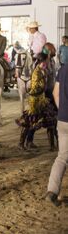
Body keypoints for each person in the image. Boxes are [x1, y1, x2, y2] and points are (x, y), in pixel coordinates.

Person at [16, 50, 57, 150]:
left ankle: (52, 146)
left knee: (50, 121)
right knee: (30, 122)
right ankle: (22, 144)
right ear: (41, 61)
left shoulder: (42, 70)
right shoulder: (37, 73)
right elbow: (35, 89)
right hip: (36, 102)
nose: (47, 63)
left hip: (41, 100)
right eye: (46, 61)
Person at [46, 63, 68, 206]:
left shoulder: (63, 68)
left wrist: (63, 111)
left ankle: (52, 191)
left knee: (62, 157)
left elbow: (55, 92)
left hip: (62, 119)